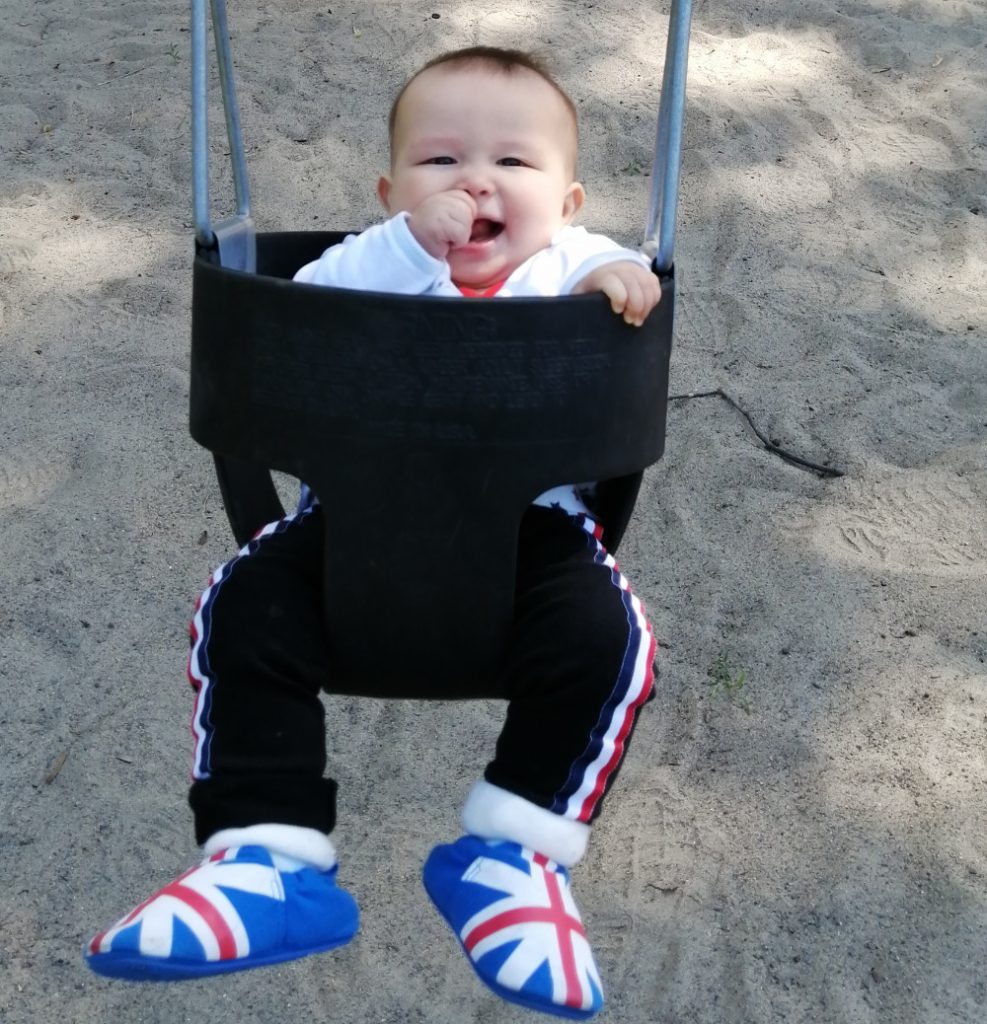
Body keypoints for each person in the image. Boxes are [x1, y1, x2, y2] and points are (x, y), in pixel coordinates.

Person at [85, 47, 661, 1020]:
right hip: (351, 530)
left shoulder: (571, 266)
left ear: (566, 202)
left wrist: (616, 274)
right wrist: (406, 245)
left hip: (534, 538)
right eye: (441, 162)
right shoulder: (371, 265)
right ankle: (264, 861)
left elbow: (625, 274)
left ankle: (511, 855)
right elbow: (305, 302)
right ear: (392, 192)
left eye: (514, 165)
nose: (476, 180)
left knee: (612, 643)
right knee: (244, 607)